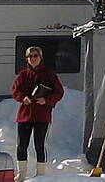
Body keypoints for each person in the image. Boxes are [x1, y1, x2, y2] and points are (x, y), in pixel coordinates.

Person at [11, 46, 63, 180]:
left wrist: (46, 100)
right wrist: (23, 98)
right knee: (22, 145)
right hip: (24, 116)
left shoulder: (49, 74)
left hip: (42, 116)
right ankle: (21, 174)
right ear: (26, 59)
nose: (33, 59)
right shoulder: (22, 75)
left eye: (35, 56)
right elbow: (15, 91)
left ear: (41, 57)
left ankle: (41, 175)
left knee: (39, 145)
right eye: (30, 56)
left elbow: (59, 92)